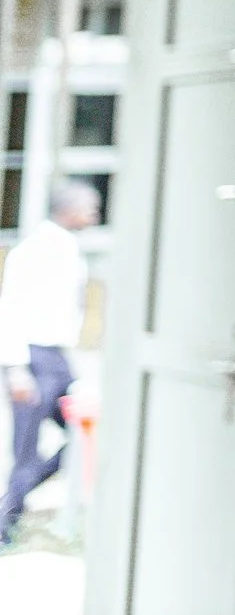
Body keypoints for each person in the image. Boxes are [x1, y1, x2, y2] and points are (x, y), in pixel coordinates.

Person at [1, 180, 99, 548]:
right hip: (31, 356)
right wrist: (15, 368)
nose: (95, 214)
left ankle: (11, 503)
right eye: (90, 205)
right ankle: (5, 524)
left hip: (58, 357)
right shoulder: (33, 251)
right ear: (68, 208)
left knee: (81, 431)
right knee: (24, 449)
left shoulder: (71, 250)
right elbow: (9, 308)